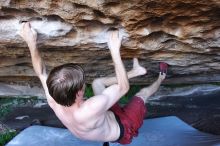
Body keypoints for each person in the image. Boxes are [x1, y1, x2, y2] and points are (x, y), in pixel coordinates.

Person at [19, 22, 166, 145]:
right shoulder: (91, 107)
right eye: (82, 83)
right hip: (124, 126)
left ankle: (136, 72)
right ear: (78, 93)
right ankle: (162, 77)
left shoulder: (54, 100)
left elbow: (41, 72)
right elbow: (123, 88)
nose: (84, 83)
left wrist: (31, 42)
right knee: (142, 94)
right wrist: (114, 50)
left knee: (97, 83)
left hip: (102, 119)